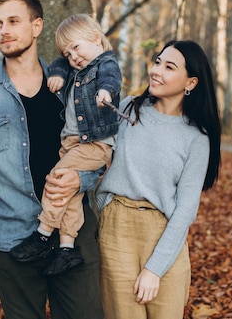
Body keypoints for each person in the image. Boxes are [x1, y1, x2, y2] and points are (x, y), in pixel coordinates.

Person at [0, 0, 104, 319]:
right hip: (12, 237)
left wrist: (81, 177)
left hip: (71, 233)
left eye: (13, 21)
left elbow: (103, 153)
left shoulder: (76, 87)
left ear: (37, 26)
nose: (3, 30)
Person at [95, 40, 221, 319]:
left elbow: (186, 210)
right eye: (157, 62)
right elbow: (92, 152)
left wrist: (154, 269)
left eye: (169, 66)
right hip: (117, 230)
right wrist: (106, 206)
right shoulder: (127, 108)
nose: (156, 71)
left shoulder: (197, 138)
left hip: (165, 234)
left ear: (190, 82)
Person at [10, 14, 122, 277]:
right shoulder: (74, 66)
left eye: (76, 47)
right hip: (72, 144)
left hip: (93, 143)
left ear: (96, 38)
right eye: (68, 53)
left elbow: (111, 78)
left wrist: (105, 93)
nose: (73, 57)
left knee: (57, 179)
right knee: (70, 193)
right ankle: (67, 249)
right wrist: (59, 73)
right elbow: (60, 62)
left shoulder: (105, 63)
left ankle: (42, 233)